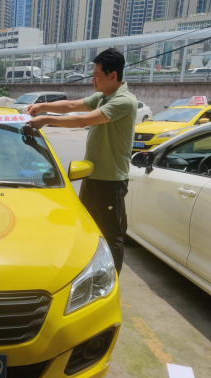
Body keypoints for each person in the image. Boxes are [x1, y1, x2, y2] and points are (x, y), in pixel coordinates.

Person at [26, 48, 137, 275]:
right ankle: (91, 274)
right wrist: (41, 106)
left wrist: (46, 119)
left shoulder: (124, 101)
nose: (92, 80)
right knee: (88, 229)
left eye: (96, 75)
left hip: (110, 179)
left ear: (112, 75)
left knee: (110, 234)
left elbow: (82, 120)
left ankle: (112, 279)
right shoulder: (103, 97)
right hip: (92, 175)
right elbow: (71, 106)